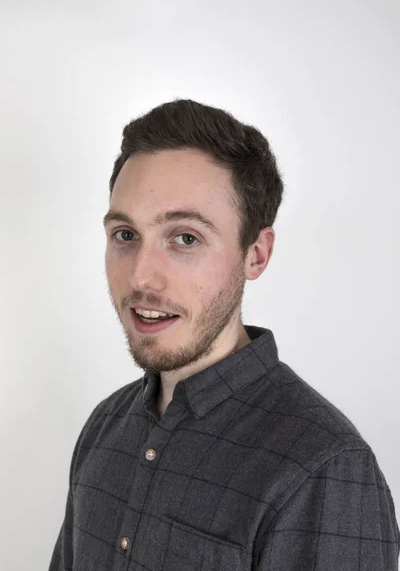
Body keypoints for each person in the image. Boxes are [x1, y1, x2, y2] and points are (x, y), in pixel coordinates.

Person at [49, 99, 399, 570]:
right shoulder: (104, 426)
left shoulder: (325, 467)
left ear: (255, 254)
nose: (142, 278)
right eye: (126, 235)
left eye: (185, 238)